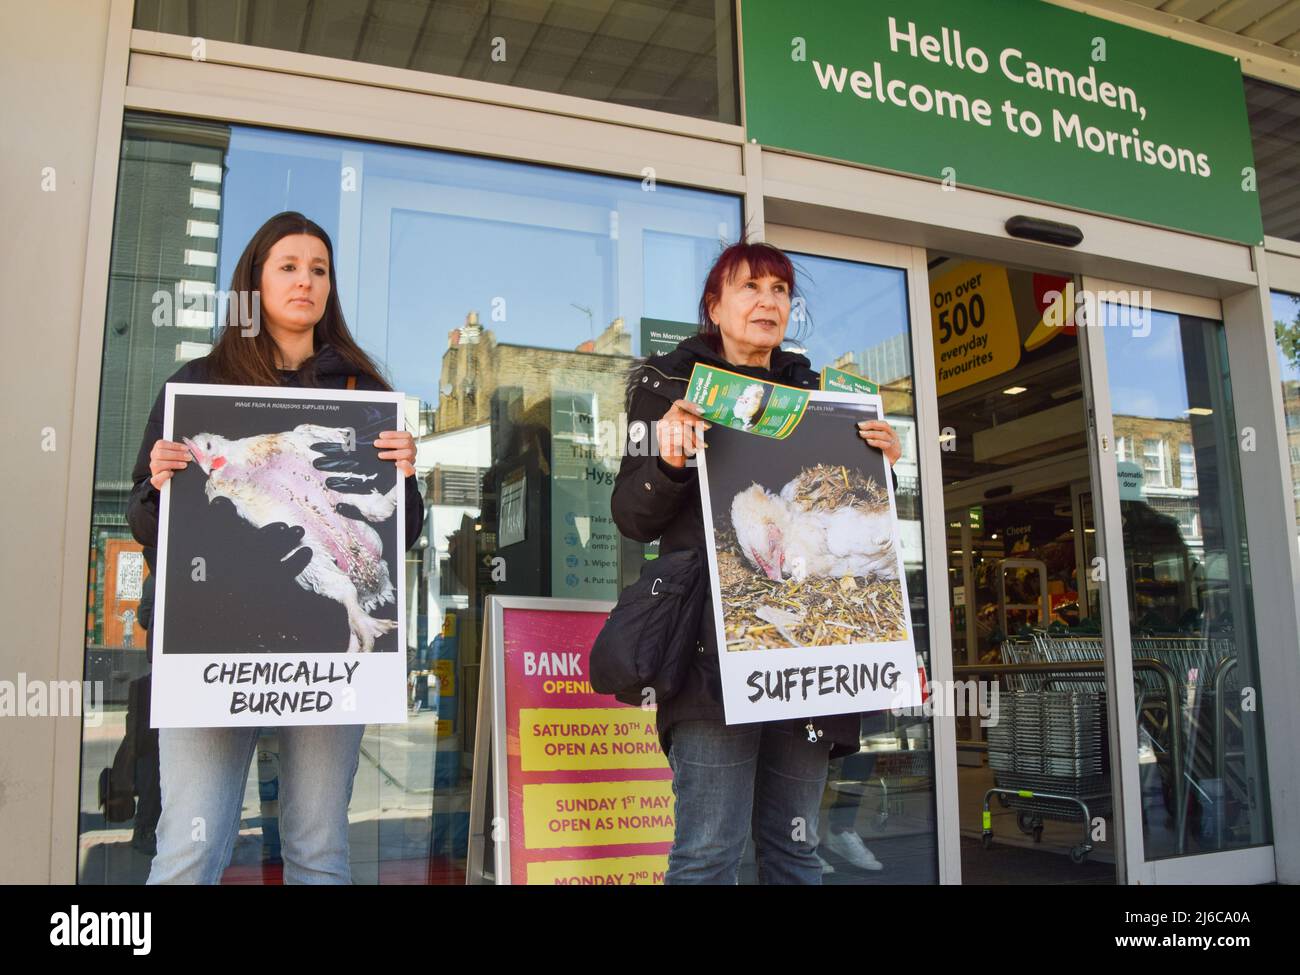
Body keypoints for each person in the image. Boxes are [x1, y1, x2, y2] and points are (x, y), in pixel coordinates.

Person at [127, 211, 425, 884]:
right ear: (254, 282)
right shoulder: (197, 385)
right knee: (191, 846)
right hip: (213, 646)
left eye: (318, 269)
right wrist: (159, 482)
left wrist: (406, 476)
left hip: (325, 650)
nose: (305, 281)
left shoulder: (363, 392)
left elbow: (398, 532)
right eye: (288, 266)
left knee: (319, 848)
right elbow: (144, 523)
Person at [610, 239, 902, 885]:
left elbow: (857, 520)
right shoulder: (667, 389)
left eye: (779, 290)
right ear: (715, 306)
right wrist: (668, 460)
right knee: (708, 852)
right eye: (750, 287)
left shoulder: (821, 397)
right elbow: (632, 516)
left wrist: (879, 465)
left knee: (795, 847)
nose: (768, 301)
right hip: (709, 657)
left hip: (809, 662)